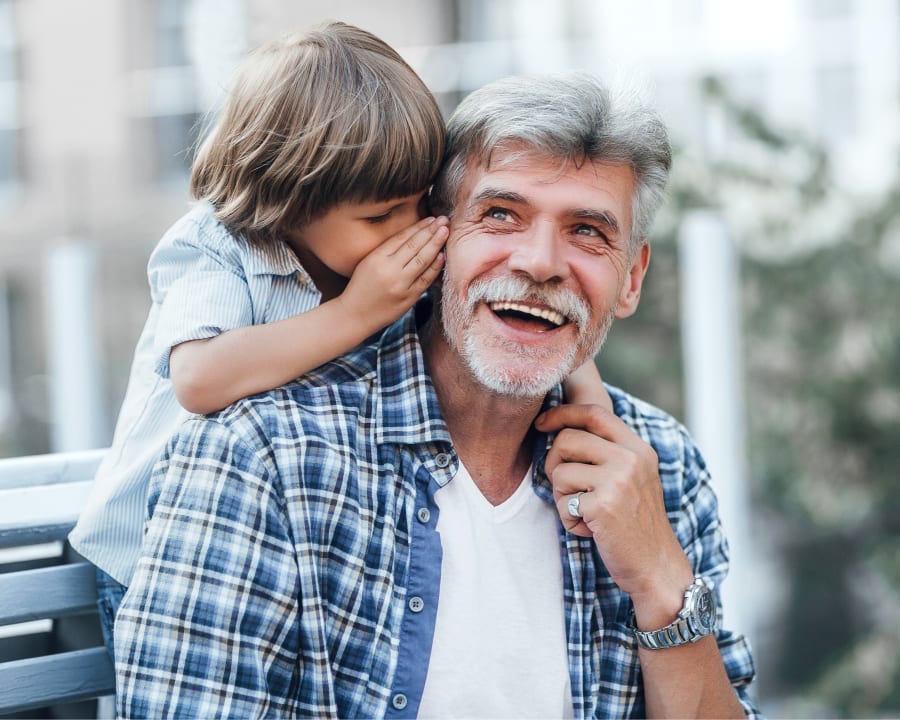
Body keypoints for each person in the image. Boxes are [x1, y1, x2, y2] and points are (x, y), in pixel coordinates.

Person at [115, 71, 760, 719]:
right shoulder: (265, 453)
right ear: (433, 238)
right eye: (501, 214)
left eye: (587, 230)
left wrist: (660, 581)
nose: (540, 262)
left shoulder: (662, 470)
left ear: (631, 278)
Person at [67, 21, 450, 657]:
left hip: (280, 552)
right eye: (380, 216)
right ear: (291, 197)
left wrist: (583, 389)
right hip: (155, 558)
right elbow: (199, 378)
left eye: (419, 203)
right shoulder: (215, 250)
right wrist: (356, 313)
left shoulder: (374, 259)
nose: (407, 230)